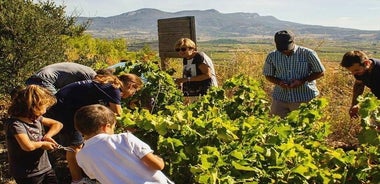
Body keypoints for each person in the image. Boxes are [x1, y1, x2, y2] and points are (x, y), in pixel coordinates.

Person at [48, 73, 143, 184]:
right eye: (134, 91)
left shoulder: (110, 85)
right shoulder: (114, 89)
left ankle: (81, 175)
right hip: (64, 110)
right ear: (131, 86)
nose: (133, 94)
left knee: (78, 143)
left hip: (65, 106)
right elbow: (119, 115)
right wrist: (132, 128)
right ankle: (77, 180)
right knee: (75, 146)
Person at [74, 104, 173, 184]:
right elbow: (157, 166)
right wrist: (159, 159)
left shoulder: (81, 156)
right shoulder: (124, 138)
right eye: (113, 127)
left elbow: (94, 175)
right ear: (106, 127)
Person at [5, 85, 63, 184]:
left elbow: (58, 124)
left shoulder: (36, 118)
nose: (44, 112)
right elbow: (27, 146)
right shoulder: (15, 124)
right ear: (31, 107)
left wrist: (47, 136)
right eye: (42, 108)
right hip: (26, 173)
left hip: (45, 167)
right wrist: (42, 144)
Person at [263, 30, 325, 118]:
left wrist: (302, 81)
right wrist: (279, 82)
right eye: (282, 49)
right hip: (280, 98)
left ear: (293, 41)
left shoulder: (308, 53)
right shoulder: (272, 56)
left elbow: (320, 72)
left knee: (304, 127)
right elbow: (268, 75)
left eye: (287, 48)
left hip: (304, 98)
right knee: (277, 126)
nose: (285, 51)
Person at [340, 50, 380, 118]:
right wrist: (354, 104)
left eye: (356, 70)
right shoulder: (359, 72)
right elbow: (359, 85)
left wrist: (361, 106)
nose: (354, 74)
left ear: (366, 63)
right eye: (351, 71)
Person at [26, 62, 97, 94]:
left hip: (39, 77)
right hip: (45, 79)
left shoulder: (88, 71)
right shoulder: (91, 75)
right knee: (54, 104)